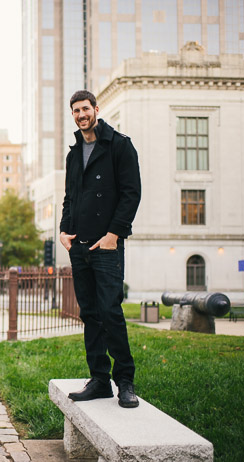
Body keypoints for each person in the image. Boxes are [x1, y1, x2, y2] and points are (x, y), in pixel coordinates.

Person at [59, 90, 141, 408]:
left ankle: (125, 381)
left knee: (110, 312)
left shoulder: (119, 144)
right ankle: (99, 380)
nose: (81, 115)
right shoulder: (73, 153)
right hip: (79, 247)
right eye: (75, 111)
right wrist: (65, 232)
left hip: (106, 245)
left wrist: (114, 234)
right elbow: (70, 196)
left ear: (96, 109)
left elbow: (131, 193)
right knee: (90, 314)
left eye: (85, 109)